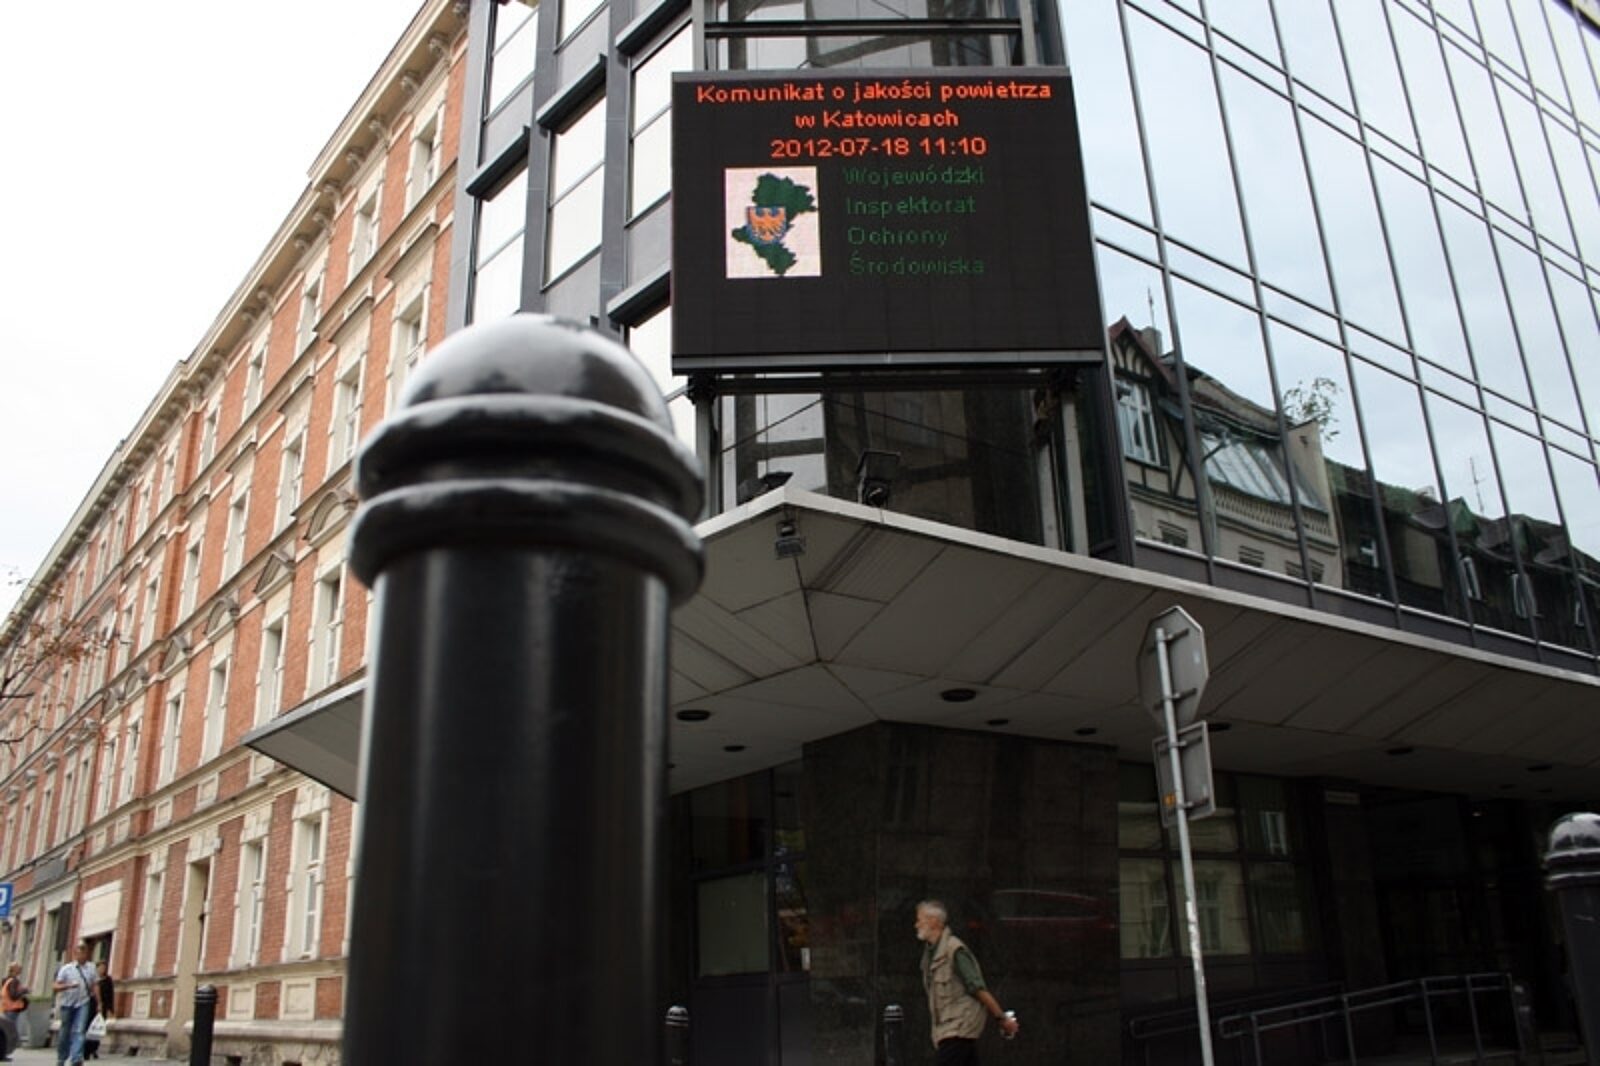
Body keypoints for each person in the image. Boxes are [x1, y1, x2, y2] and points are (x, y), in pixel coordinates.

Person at [915, 900, 1019, 1065]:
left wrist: (1001, 1018)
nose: (916, 925)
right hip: (948, 1030)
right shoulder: (930, 956)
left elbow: (977, 987)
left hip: (959, 1028)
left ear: (934, 921)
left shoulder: (954, 950)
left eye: (920, 920)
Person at [52, 943, 97, 1066]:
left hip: (83, 1003)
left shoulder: (91, 968)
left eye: (84, 953)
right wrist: (68, 986)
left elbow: (94, 985)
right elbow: (55, 986)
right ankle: (61, 1058)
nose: (81, 956)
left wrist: (98, 1002)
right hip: (67, 1004)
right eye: (79, 953)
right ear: (75, 955)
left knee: (79, 1030)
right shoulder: (66, 969)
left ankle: (76, 1058)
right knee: (65, 1032)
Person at [1, 962, 28, 1060]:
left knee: (5, 1032)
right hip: (12, 1009)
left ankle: (3, 1053)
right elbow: (13, 995)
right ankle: (3, 1053)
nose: (20, 969)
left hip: (6, 1007)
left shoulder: (6, 980)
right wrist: (24, 991)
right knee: (9, 1033)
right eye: (18, 968)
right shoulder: (14, 981)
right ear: (14, 969)